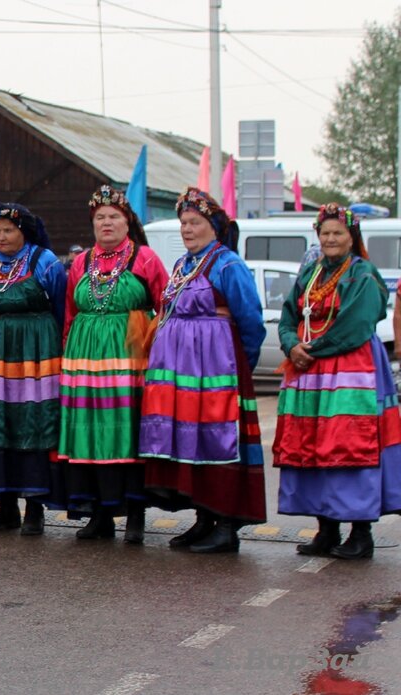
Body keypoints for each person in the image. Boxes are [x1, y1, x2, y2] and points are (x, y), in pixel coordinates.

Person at [140, 188, 267, 553]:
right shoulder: (182, 266)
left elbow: (250, 320)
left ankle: (226, 524)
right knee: (190, 442)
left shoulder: (228, 265)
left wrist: (243, 367)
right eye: (183, 223)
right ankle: (204, 518)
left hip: (218, 373)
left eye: (194, 223)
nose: (187, 229)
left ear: (214, 227)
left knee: (216, 440)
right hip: (183, 376)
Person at [274, 203, 401, 560]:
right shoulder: (311, 273)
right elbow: (288, 313)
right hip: (310, 370)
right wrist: (289, 344)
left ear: (351, 237)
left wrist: (310, 349)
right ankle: (326, 530)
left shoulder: (363, 274)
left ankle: (361, 534)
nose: (330, 239)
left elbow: (356, 324)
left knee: (348, 442)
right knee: (313, 442)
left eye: (337, 233)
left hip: (349, 369)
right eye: (325, 233)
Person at [60, 185, 167, 543]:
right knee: (89, 433)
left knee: (126, 431)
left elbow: (165, 310)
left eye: (114, 217)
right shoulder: (81, 262)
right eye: (100, 218)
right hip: (84, 358)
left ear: (127, 222)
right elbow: (70, 313)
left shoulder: (146, 259)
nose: (106, 223)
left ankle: (135, 515)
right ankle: (99, 514)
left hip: (129, 357)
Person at [0, 203, 67, 535]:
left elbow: (62, 307)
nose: (1, 236)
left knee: (33, 421)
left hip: (38, 351)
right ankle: (6, 508)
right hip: (0, 353)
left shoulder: (45, 261)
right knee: (0, 420)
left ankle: (35, 511)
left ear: (24, 231)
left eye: (7, 230)